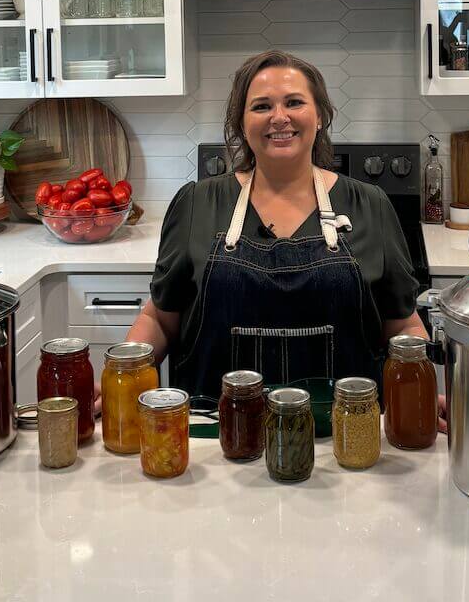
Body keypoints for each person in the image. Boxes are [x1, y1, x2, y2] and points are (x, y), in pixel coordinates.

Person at [126, 50, 441, 422]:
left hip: (345, 439)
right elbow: (161, 319)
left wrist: (427, 391)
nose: (279, 118)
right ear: (241, 123)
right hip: (216, 439)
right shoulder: (198, 204)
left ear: (319, 115)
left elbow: (402, 323)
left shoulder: (369, 204)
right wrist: (122, 375)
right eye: (261, 106)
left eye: (294, 102)